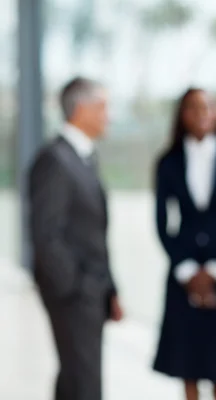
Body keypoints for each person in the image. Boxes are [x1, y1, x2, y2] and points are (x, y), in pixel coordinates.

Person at [28, 77, 123, 400]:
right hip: (72, 293)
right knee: (84, 383)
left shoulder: (83, 157)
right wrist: (77, 287)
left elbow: (92, 232)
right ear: (82, 110)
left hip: (89, 291)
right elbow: (46, 234)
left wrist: (108, 289)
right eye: (103, 108)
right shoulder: (54, 160)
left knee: (76, 379)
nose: (108, 116)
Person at [152, 88, 216, 400]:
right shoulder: (168, 162)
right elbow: (161, 222)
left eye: (207, 106)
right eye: (193, 108)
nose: (201, 113)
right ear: (182, 115)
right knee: (187, 361)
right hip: (184, 270)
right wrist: (187, 269)